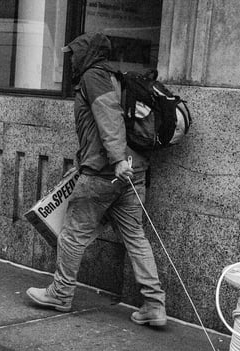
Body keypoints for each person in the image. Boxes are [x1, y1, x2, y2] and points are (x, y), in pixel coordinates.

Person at [26, 32, 167, 327]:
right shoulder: (114, 77)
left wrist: (116, 160)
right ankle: (154, 305)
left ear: (88, 53)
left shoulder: (94, 76)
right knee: (135, 237)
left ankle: (61, 294)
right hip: (133, 170)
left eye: (74, 53)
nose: (71, 59)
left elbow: (109, 117)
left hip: (105, 172)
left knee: (73, 234)